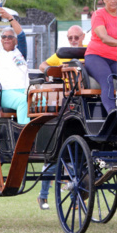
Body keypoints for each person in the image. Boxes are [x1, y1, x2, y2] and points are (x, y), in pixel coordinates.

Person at [36, 25, 86, 210]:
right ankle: (43, 195)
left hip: (85, 100)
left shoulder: (88, 51)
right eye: (70, 37)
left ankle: (75, 199)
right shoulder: (62, 53)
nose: (73, 40)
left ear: (83, 36)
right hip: (68, 101)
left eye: (76, 37)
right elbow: (43, 66)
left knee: (74, 160)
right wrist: (56, 71)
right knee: (57, 157)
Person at [0, 0, 30, 124]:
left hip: (24, 90)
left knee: (42, 101)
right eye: (4, 36)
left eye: (10, 36)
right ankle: (24, 135)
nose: (6, 39)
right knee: (23, 102)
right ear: (1, 40)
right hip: (5, 93)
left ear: (14, 40)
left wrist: (10, 17)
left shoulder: (20, 51)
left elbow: (21, 35)